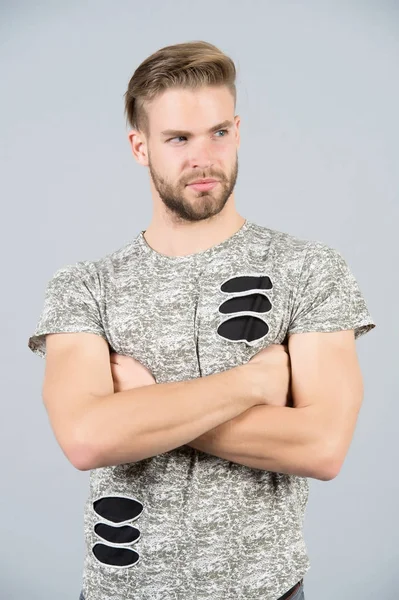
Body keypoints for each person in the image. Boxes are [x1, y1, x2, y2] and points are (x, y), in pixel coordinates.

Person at [28, 40, 376, 600]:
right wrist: (251, 384)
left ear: (237, 130)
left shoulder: (309, 269)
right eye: (178, 139)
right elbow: (87, 438)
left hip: (268, 589)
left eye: (218, 132)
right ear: (140, 147)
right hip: (122, 590)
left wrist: (142, 408)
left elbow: (322, 446)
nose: (203, 157)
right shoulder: (83, 286)